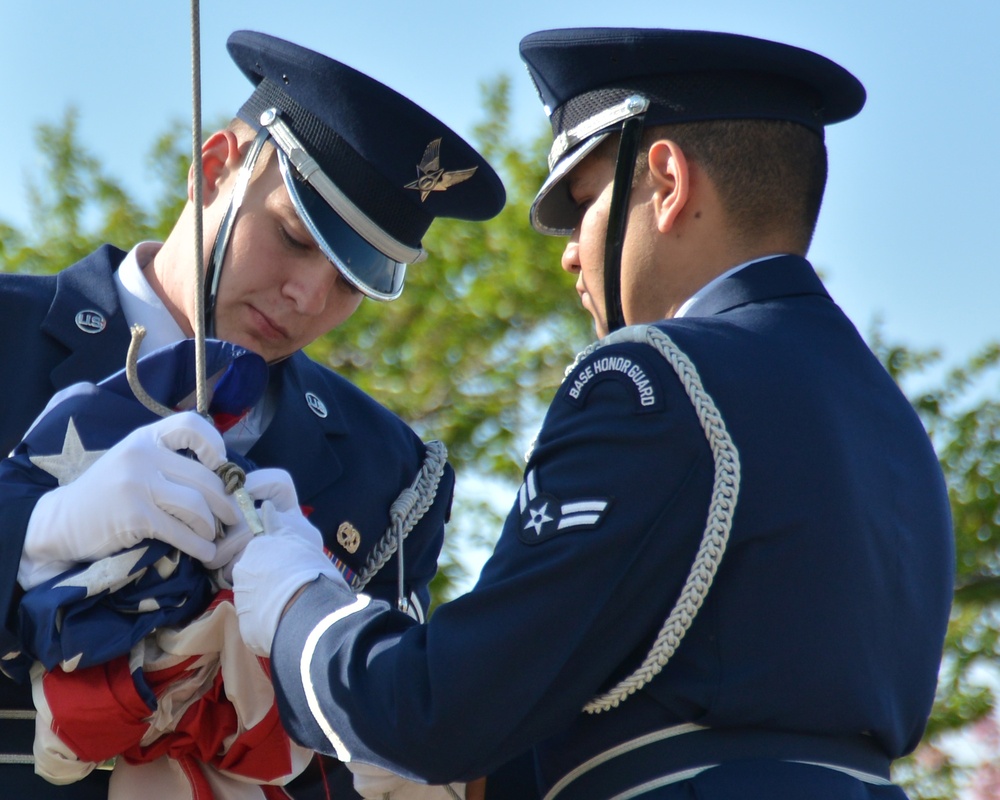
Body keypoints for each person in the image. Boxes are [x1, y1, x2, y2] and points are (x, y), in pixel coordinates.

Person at [213, 27, 954, 799]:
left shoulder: (654, 378)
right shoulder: (889, 420)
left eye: (585, 202)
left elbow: (439, 710)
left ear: (666, 181)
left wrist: (296, 596)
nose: (570, 252)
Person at [0, 30, 504, 799]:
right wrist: (32, 535)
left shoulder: (391, 470)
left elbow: (383, 754)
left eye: (350, 284)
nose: (308, 297)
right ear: (213, 168)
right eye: (295, 237)